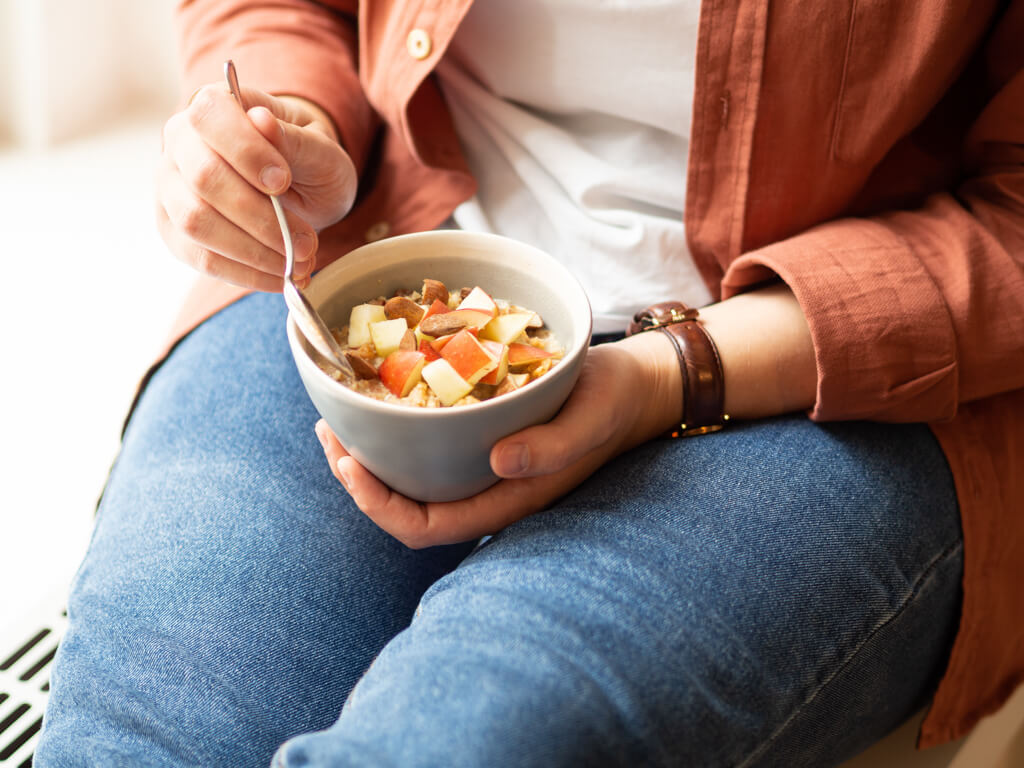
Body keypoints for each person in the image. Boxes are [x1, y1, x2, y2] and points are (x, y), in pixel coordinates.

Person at [36, 0, 1024, 766]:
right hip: (381, 233)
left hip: (823, 372)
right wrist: (287, 128)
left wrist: (665, 378)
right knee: (146, 737)